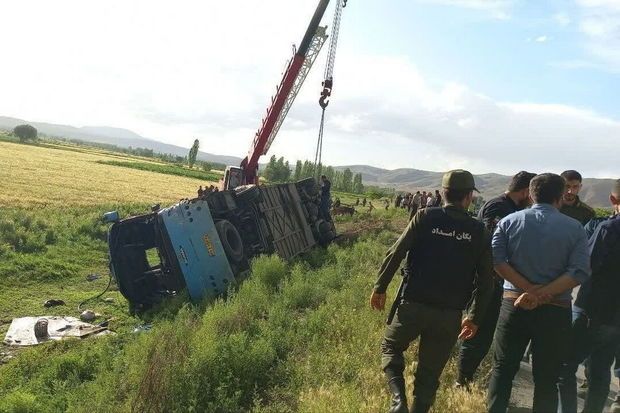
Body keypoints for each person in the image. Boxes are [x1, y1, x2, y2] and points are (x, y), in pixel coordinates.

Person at [370, 170, 494, 413]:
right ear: (469, 197)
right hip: (449, 316)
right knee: (429, 374)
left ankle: (398, 402)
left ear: (444, 193)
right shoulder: (479, 231)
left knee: (391, 348)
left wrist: (380, 287)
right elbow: (486, 281)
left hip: (412, 306)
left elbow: (396, 253)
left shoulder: (424, 217)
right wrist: (475, 317)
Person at [486, 173, 590, 413]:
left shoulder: (510, 221)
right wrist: (542, 292)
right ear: (559, 197)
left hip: (514, 306)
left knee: (502, 371)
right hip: (555, 312)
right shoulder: (574, 228)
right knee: (547, 379)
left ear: (531, 195)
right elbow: (579, 271)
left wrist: (528, 290)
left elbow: (497, 260)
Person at [456, 171, 536, 386]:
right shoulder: (499, 207)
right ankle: (462, 380)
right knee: (477, 332)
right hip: (487, 281)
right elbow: (491, 249)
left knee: (481, 333)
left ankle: (464, 377)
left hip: (497, 281)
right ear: (526, 191)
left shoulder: (513, 208)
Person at [557, 179, 620, 413]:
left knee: (565, 365)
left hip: (593, 309)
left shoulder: (608, 229)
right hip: (616, 318)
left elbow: (585, 267)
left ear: (613, 200)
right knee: (600, 369)